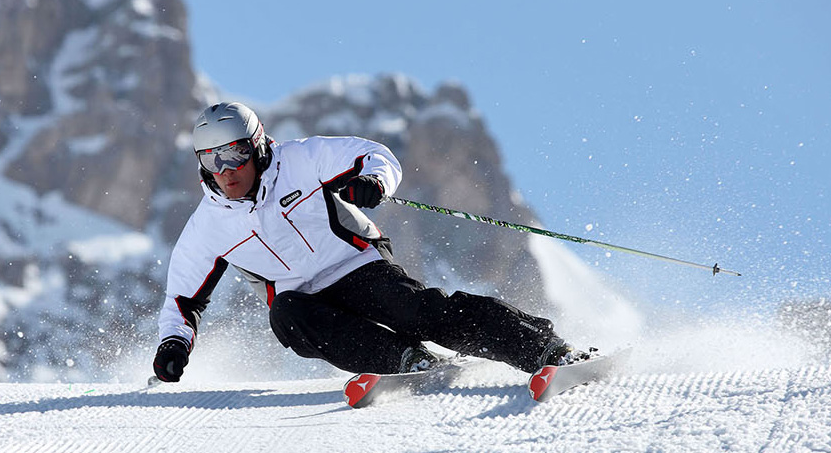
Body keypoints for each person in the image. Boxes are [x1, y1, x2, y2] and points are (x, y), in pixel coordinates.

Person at [152, 102, 586, 383]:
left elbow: (372, 154)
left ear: (259, 145)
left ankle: (543, 348)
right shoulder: (207, 226)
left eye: (235, 154)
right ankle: (405, 362)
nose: (226, 169)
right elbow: (182, 300)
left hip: (355, 264)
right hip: (301, 297)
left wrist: (372, 182)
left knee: (416, 312)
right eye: (212, 159)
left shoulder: (300, 160)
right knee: (286, 316)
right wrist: (173, 343)